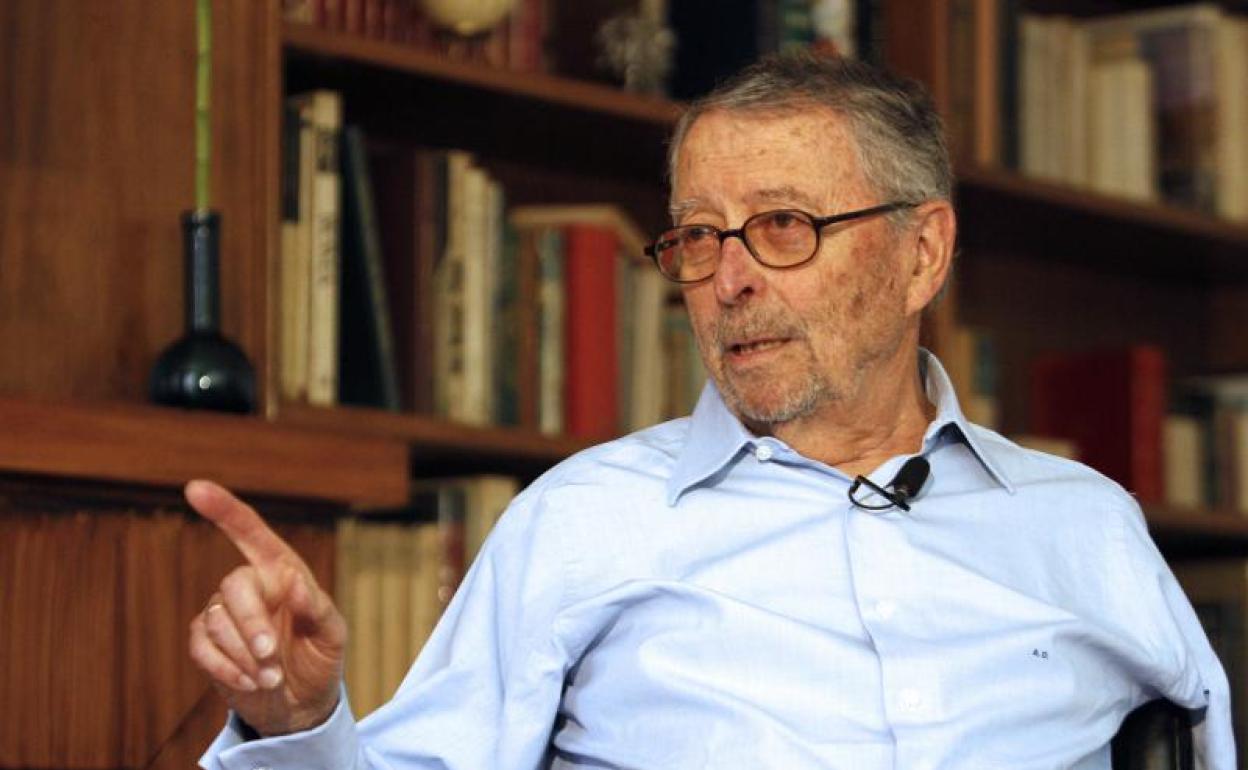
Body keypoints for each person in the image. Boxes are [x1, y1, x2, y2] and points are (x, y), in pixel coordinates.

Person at [188, 53, 1234, 769]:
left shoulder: (1084, 527)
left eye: (783, 226)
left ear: (923, 254)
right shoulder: (583, 522)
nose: (728, 279)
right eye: (697, 236)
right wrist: (298, 720)